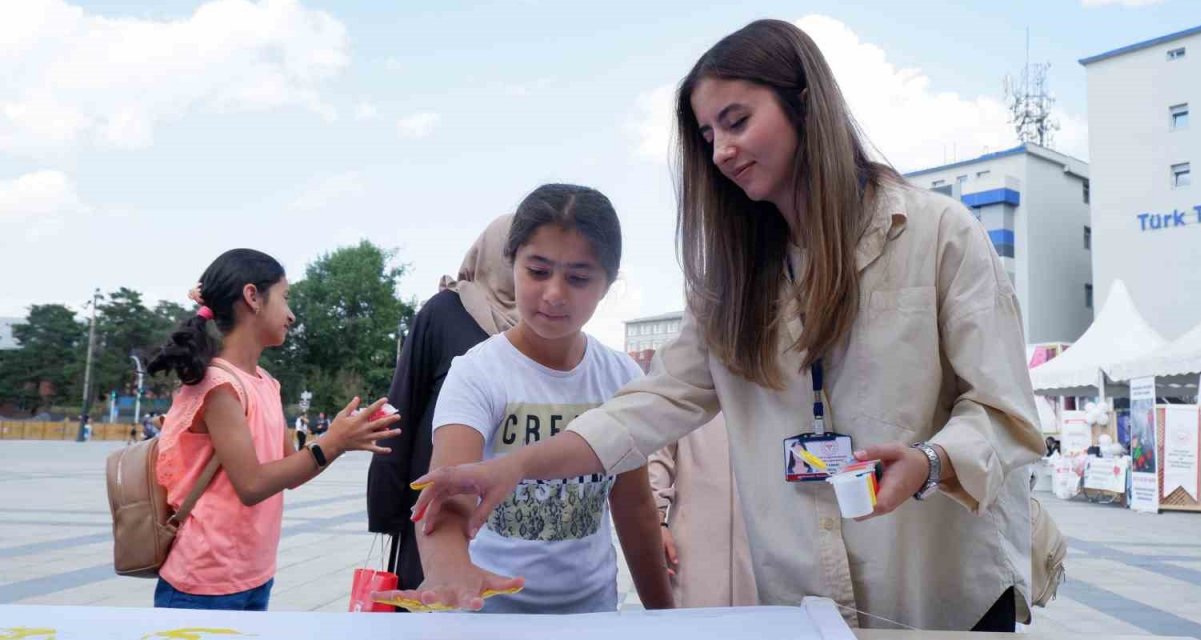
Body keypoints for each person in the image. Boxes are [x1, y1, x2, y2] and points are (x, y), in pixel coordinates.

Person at [405, 21, 1044, 632]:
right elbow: (646, 408)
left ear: (805, 103)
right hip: (802, 602)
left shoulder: (937, 234)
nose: (723, 150)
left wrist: (929, 462)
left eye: (737, 121)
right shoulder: (731, 284)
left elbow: (1004, 412)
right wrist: (516, 468)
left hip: (940, 594)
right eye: (708, 135)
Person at [373, 184, 673, 613]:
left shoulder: (621, 375)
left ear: (608, 284)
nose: (554, 293)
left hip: (592, 614)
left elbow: (634, 507)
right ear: (511, 263)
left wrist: (664, 616)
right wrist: (450, 569)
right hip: (492, 614)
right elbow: (449, 489)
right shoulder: (477, 372)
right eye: (538, 271)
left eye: (578, 277)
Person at [147, 248, 401, 611]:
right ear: (253, 297)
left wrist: (342, 441)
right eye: (285, 298)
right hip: (204, 581)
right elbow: (251, 485)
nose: (291, 314)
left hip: (254, 574)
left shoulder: (266, 382)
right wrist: (332, 442)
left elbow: (289, 471)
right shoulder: (219, 386)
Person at [366, 214, 517, 596]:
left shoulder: (546, 328)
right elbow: (402, 405)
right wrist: (389, 508)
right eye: (515, 255)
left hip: (508, 507)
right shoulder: (446, 311)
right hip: (437, 500)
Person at [648, 414, 758, 608]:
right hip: (695, 539)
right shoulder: (687, 387)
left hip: (766, 543)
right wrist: (656, 520)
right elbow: (657, 451)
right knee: (696, 624)